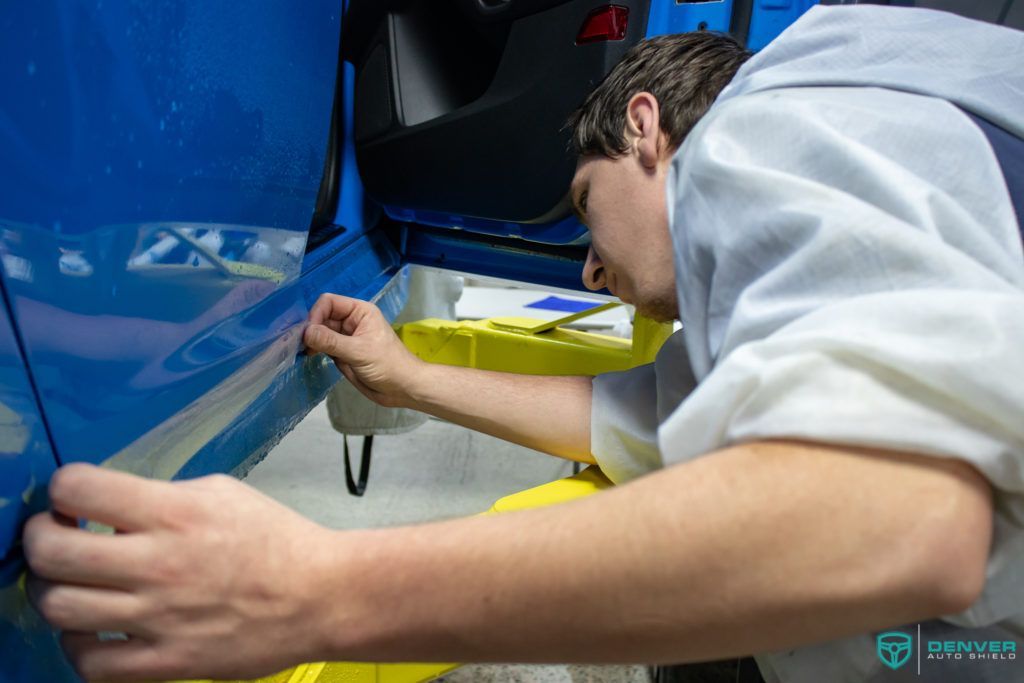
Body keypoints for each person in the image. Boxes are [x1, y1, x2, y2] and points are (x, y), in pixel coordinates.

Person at [21, 5, 1024, 682]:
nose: (588, 270)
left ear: (648, 129)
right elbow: (632, 419)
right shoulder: (804, 204)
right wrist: (408, 377)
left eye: (585, 208)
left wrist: (315, 589)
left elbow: (885, 513)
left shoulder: (755, 131)